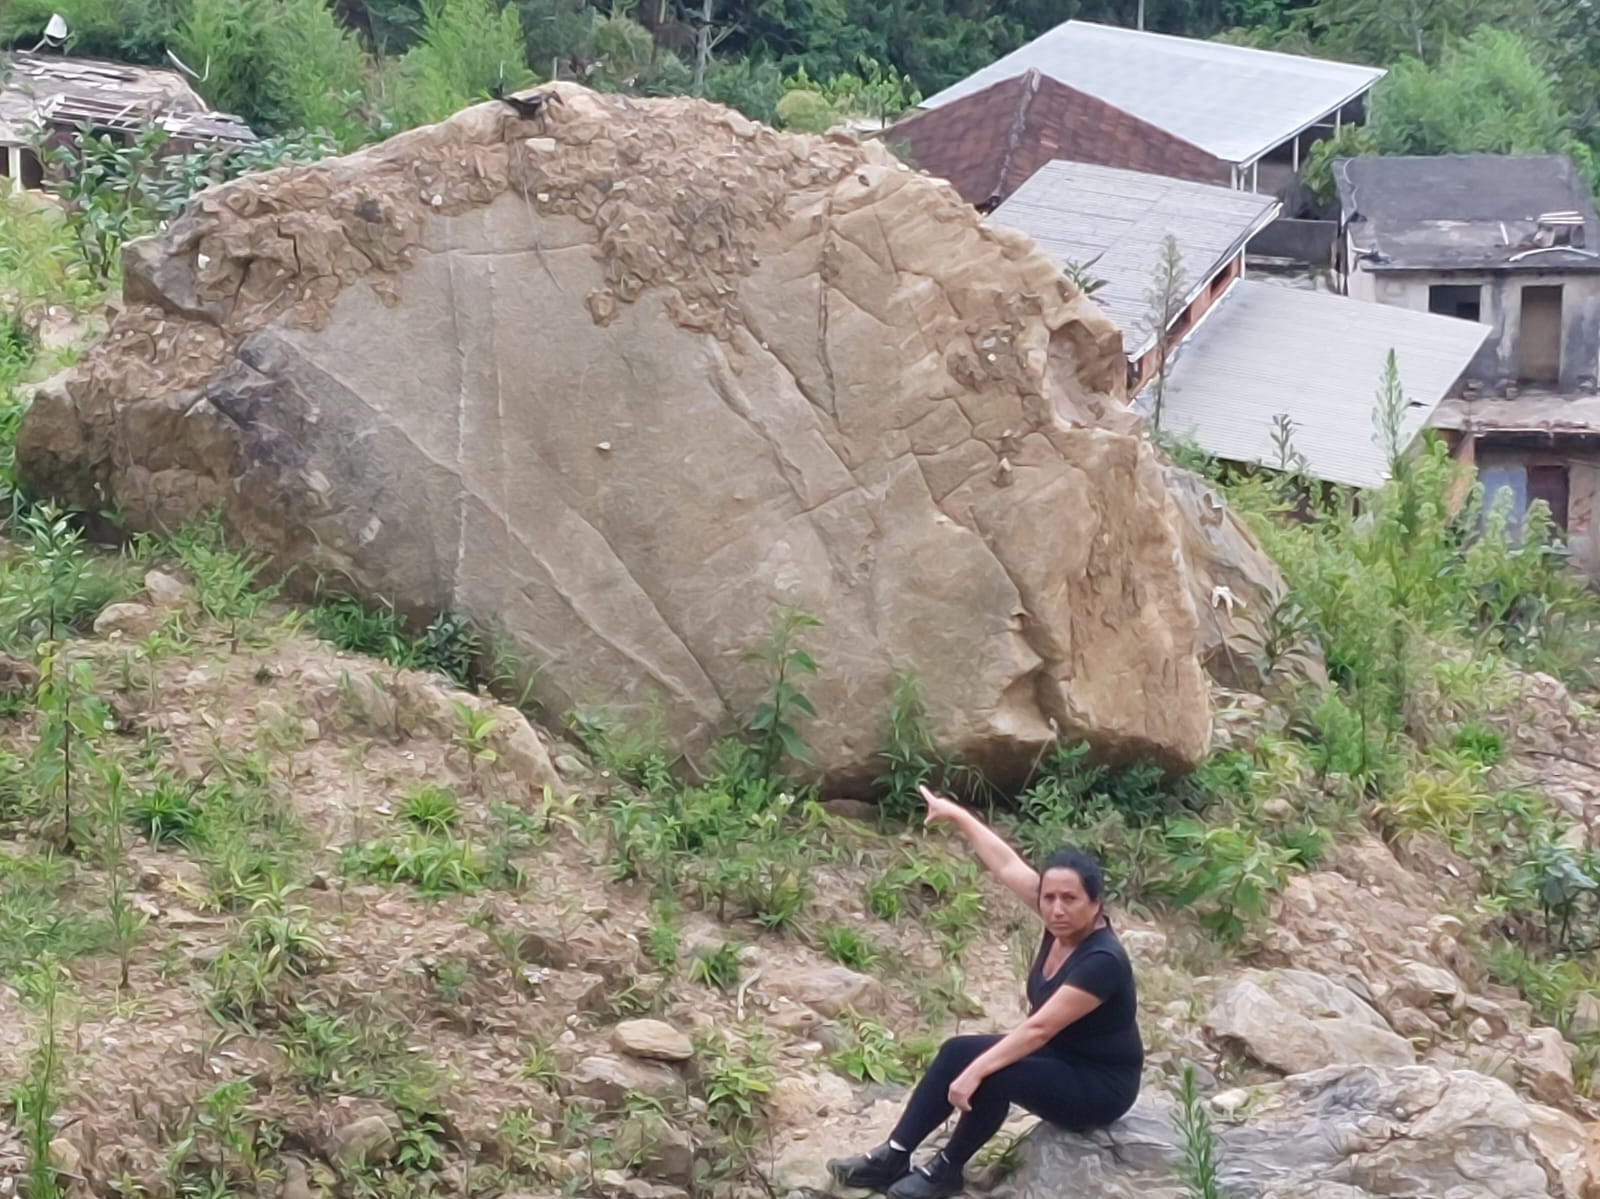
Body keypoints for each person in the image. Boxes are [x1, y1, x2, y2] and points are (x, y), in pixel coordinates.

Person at [826, 785, 1142, 1199]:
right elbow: (1007, 864)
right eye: (1049, 898)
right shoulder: (1057, 922)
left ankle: (945, 1170)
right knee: (958, 1050)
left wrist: (976, 1072)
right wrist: (956, 814)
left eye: (1070, 899)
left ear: (1096, 904)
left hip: (1100, 1085)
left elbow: (1039, 1030)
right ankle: (893, 1155)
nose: (1056, 909)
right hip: (1062, 1058)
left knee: (993, 1073)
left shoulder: (1102, 960)